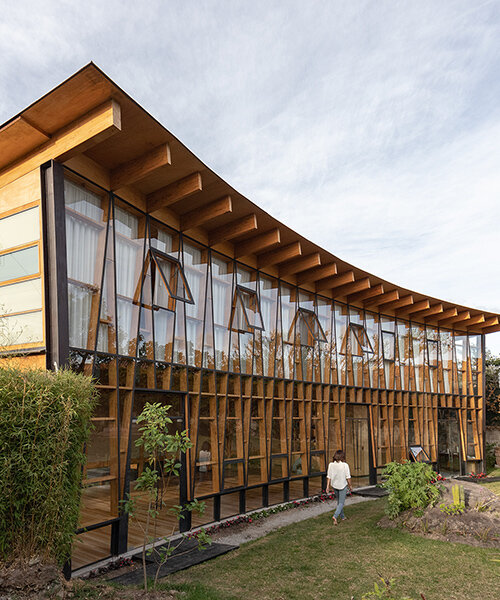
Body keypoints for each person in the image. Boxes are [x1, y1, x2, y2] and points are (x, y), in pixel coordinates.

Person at [326, 449, 353, 525]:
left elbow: (329, 477)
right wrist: (350, 486)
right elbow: (348, 477)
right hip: (342, 486)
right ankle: (335, 516)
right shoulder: (345, 465)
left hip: (335, 485)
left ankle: (343, 516)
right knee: (341, 503)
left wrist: (327, 487)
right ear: (342, 456)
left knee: (339, 502)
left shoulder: (331, 465)